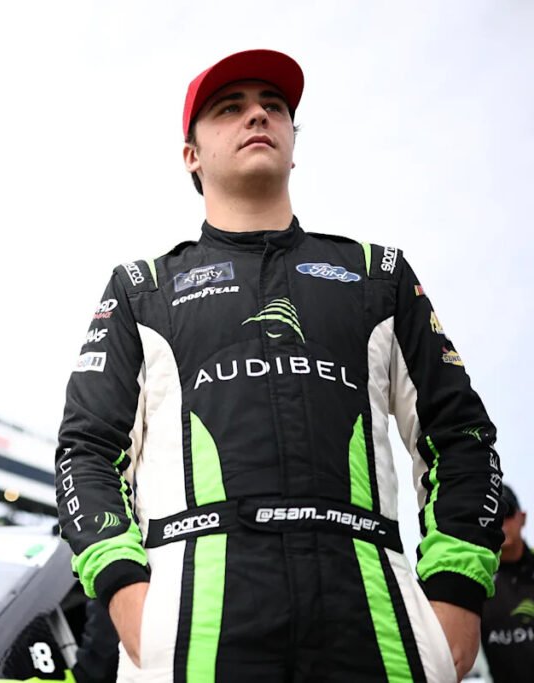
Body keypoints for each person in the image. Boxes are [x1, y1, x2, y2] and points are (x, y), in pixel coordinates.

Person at [54, 49, 504, 682]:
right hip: (195, 632)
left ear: (294, 143)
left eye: (274, 106)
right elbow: (87, 452)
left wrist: (457, 593)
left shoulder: (379, 278)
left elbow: (464, 439)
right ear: (192, 154)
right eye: (229, 108)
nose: (257, 114)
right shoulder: (142, 289)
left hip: (374, 624)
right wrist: (127, 594)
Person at [480, 484, 533, 682]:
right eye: (494, 516)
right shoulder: (477, 579)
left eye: (507, 511)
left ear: (523, 517)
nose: (501, 522)